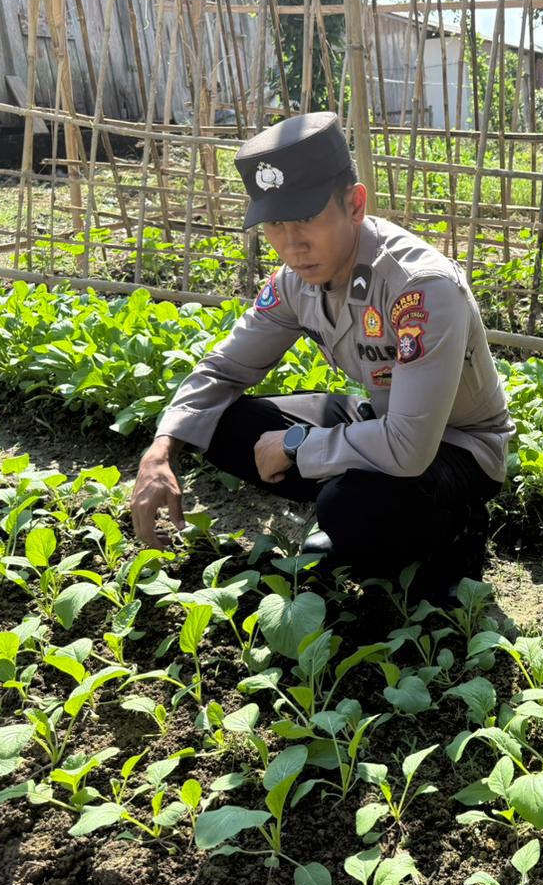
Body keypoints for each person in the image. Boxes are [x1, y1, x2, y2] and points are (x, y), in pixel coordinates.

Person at [130, 112, 514, 603]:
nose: (292, 245)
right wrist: (160, 451)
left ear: (355, 205)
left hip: (456, 446)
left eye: (308, 218)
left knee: (349, 508)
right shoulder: (297, 280)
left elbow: (411, 446)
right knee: (221, 424)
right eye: (274, 224)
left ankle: (451, 533)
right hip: (382, 420)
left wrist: (296, 445)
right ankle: (367, 523)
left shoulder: (420, 288)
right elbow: (225, 369)